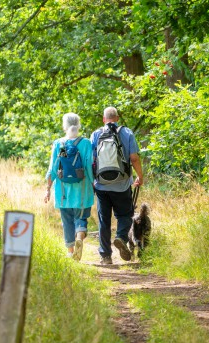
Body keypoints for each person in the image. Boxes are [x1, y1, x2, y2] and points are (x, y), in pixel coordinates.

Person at [91, 106, 144, 264]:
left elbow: (91, 160)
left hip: (101, 185)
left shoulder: (96, 134)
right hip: (122, 184)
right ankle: (120, 237)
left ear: (103, 119)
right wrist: (140, 176)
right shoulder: (127, 133)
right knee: (125, 215)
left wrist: (92, 180)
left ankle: (105, 256)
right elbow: (134, 158)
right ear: (117, 118)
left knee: (104, 220)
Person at [44, 112, 94, 261]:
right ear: (78, 125)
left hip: (63, 192)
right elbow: (88, 166)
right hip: (82, 189)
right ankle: (79, 236)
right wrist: (93, 183)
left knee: (67, 221)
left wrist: (48, 189)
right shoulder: (85, 143)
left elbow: (53, 168)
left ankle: (71, 252)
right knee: (81, 217)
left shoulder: (60, 144)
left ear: (64, 126)